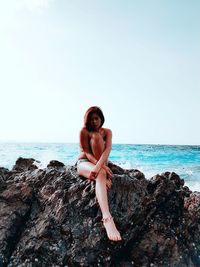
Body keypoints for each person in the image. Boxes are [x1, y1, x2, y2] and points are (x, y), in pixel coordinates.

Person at [77, 106, 122, 241]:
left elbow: (107, 150)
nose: (94, 121)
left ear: (101, 118)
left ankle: (102, 176)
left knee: (101, 173)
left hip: (101, 164)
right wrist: (97, 167)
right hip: (84, 163)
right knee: (100, 173)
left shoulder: (107, 132)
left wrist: (100, 166)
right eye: (91, 119)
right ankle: (107, 218)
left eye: (96, 118)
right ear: (87, 121)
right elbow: (87, 153)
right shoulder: (84, 131)